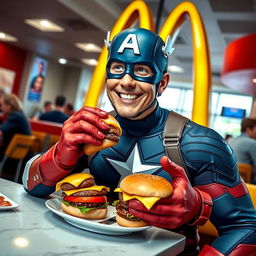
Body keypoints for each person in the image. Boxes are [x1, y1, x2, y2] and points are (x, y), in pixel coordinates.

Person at [22, 28, 256, 255]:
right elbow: (31, 188)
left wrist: (197, 208)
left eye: (141, 70)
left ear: (162, 83)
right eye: (117, 68)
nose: (126, 81)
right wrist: (61, 154)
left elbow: (247, 229)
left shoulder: (200, 143)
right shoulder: (93, 128)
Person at [0, 93, 31, 160]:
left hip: (11, 158)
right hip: (19, 157)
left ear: (9, 106)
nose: (1, 108)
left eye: (2, 105)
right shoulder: (19, 115)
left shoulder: (15, 116)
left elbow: (1, 131)